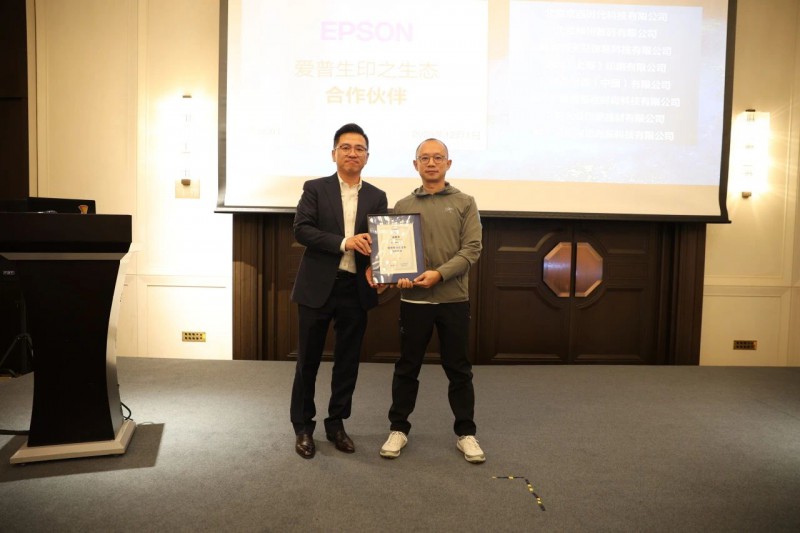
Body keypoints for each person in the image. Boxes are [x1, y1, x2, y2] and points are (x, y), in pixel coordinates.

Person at [374, 138, 485, 463]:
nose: (432, 163)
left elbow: (472, 249)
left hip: (454, 300)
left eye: (438, 158)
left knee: (459, 369)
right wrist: (397, 275)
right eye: (425, 158)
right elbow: (394, 253)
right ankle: (398, 428)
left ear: (448, 164)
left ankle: (466, 433)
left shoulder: (465, 202)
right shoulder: (403, 206)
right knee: (407, 367)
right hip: (414, 302)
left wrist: (439, 274)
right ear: (416, 165)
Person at [290, 123, 388, 459]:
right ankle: (303, 427)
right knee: (308, 361)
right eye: (345, 147)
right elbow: (302, 230)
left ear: (367, 157)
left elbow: (380, 243)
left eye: (359, 148)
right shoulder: (315, 189)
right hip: (317, 287)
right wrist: (345, 242)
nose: (352, 153)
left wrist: (380, 269)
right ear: (334, 154)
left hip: (354, 288)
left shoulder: (376, 196)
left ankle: (336, 424)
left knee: (347, 362)